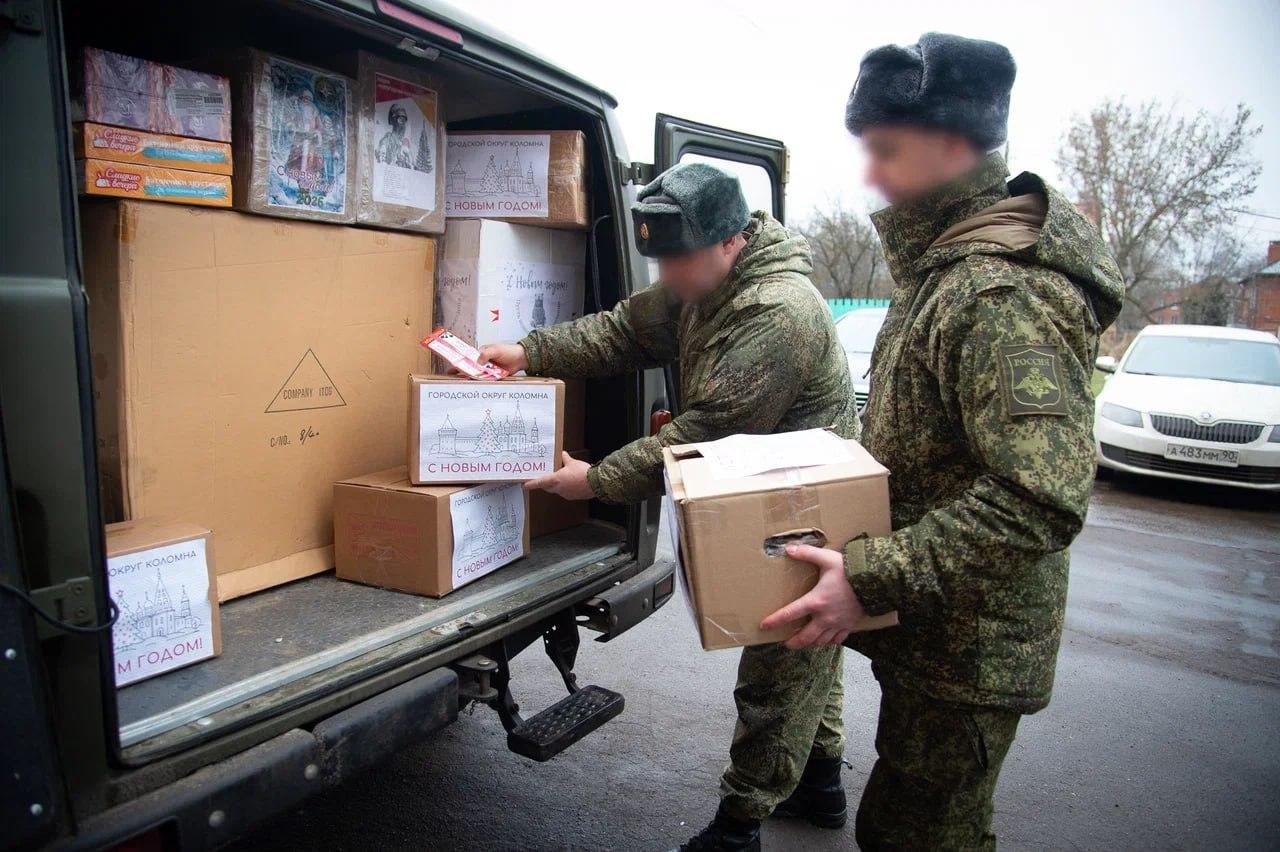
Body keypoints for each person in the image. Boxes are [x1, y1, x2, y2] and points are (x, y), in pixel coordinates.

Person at [760, 32, 1125, 850]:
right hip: (941, 635)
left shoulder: (999, 292)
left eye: (885, 149)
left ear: (954, 143)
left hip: (971, 654)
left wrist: (871, 576)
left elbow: (1038, 497)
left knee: (918, 836)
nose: (871, 174)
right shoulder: (948, 270)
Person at [478, 161, 859, 852]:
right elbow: (621, 331)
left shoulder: (777, 311)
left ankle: (738, 827)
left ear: (732, 240)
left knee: (783, 655)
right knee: (808, 648)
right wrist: (527, 352)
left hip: (804, 498)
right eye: (660, 260)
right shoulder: (698, 283)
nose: (668, 275)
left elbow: (702, 437)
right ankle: (820, 781)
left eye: (678, 259)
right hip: (762, 482)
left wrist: (596, 481)